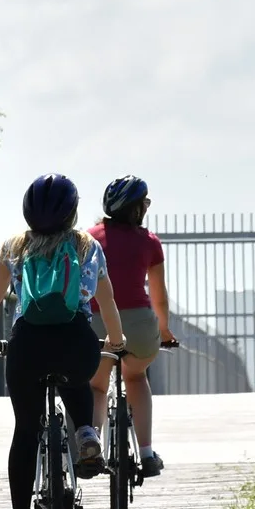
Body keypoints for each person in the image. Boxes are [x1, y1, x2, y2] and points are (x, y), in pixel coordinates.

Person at [0, 174, 125, 509]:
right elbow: (107, 302)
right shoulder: (88, 246)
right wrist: (117, 341)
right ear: (72, 213)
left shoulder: (14, 247)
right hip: (77, 342)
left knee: (25, 430)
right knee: (76, 379)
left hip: (27, 347)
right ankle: (86, 431)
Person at [88, 176, 175, 478]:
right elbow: (160, 297)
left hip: (98, 323)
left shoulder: (88, 238)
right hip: (139, 325)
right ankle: (148, 453)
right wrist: (164, 331)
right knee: (136, 377)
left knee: (97, 385)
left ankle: (92, 447)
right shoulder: (149, 241)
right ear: (137, 209)